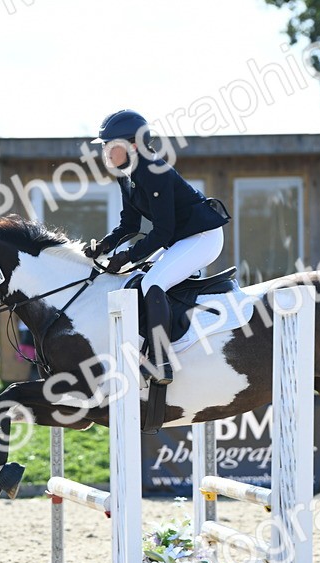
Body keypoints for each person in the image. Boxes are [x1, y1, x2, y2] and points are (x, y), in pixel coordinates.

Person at [83, 109, 229, 383]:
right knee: (140, 281)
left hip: (203, 237)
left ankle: (161, 362)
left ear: (133, 146)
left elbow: (163, 231)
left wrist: (127, 256)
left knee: (153, 284)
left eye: (110, 146)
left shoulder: (154, 170)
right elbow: (130, 224)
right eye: (103, 146)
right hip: (182, 238)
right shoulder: (125, 173)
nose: (105, 152)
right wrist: (105, 246)